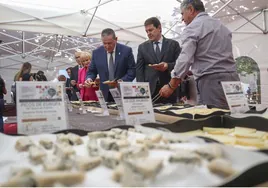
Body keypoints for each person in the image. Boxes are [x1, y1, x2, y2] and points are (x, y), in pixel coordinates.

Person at [159, 0, 240, 109]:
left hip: (211, 82)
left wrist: (171, 85)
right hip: (233, 80)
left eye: (182, 13)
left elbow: (185, 59)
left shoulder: (193, 28)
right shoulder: (221, 26)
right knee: (236, 117)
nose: (182, 19)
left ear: (191, 9)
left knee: (212, 121)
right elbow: (215, 56)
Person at [136, 17, 181, 104]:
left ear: (159, 28)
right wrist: (141, 90)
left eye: (151, 30)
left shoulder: (173, 45)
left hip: (169, 88)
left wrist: (167, 66)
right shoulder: (142, 47)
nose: (148, 33)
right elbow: (139, 70)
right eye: (147, 31)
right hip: (149, 90)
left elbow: (180, 64)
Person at [85, 28, 136, 101]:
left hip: (123, 92)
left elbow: (132, 70)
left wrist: (122, 81)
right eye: (104, 43)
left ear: (116, 39)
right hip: (105, 93)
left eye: (109, 43)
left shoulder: (126, 51)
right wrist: (89, 79)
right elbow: (92, 71)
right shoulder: (97, 53)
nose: (107, 46)